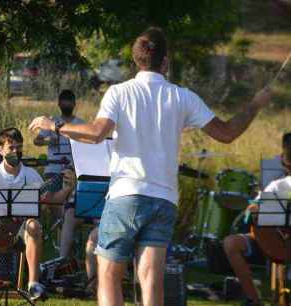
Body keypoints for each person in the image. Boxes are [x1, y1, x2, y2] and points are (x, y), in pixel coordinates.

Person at [29, 27, 272, 306]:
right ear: (165, 62)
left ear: (135, 61)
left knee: (108, 274)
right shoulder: (183, 97)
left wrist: (55, 125)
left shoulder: (118, 92)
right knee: (151, 279)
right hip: (164, 200)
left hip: (127, 196)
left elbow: (96, 133)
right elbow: (227, 133)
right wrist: (254, 105)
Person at [0, 128, 76, 306]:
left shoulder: (31, 175)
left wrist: (67, 188)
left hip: (19, 235)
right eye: (11, 147)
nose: (15, 152)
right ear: (1, 149)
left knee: (33, 225)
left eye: (19, 147)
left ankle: (33, 284)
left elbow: (50, 201)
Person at [224, 132, 291, 306]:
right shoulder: (277, 184)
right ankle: (254, 300)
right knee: (231, 243)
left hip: (281, 242)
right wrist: (253, 208)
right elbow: (250, 214)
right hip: (272, 241)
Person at [34, 89, 85, 258]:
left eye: (69, 101)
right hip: (53, 170)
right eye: (64, 101)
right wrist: (50, 139)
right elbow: (37, 140)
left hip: (73, 171)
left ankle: (66, 245)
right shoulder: (52, 122)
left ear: (74, 104)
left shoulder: (80, 123)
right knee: (54, 205)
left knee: (71, 207)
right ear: (59, 103)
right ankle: (61, 245)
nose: (66, 105)